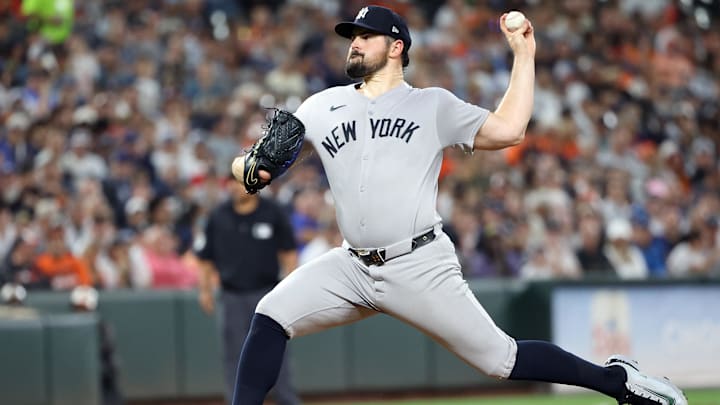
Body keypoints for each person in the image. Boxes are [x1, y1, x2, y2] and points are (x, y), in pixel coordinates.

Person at [229, 5, 686, 405]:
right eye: (352, 37)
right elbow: (250, 164)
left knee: (501, 359)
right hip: (351, 265)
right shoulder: (321, 106)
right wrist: (247, 166)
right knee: (271, 315)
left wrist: (523, 55)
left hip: (418, 263)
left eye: (365, 36)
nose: (354, 44)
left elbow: (509, 130)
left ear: (395, 47)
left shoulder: (431, 105)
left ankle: (618, 381)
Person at [195, 180, 301, 405]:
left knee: (275, 353)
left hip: (267, 293)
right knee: (234, 355)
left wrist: (292, 289)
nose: (233, 188)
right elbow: (205, 259)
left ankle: (287, 401)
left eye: (238, 182)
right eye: (230, 183)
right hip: (231, 295)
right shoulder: (218, 215)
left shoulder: (272, 211)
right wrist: (204, 290)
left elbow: (289, 253)